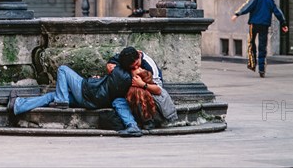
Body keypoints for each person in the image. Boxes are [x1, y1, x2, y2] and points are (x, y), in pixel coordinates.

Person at [10, 47, 147, 137]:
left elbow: (115, 58)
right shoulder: (129, 78)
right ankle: (18, 105)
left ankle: (61, 100)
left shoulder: (116, 70)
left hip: (86, 92)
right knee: (52, 95)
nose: (139, 66)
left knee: (63, 69)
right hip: (94, 102)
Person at [107, 47, 178, 129]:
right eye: (132, 67)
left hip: (154, 100)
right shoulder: (126, 58)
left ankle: (148, 120)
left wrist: (142, 84)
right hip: (134, 99)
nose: (136, 68)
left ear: (139, 55)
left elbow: (158, 90)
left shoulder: (149, 65)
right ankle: (132, 125)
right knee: (118, 101)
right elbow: (112, 62)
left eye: (137, 64)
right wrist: (109, 66)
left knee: (137, 91)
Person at [231, 0, 288, 77]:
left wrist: (237, 14)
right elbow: (278, 12)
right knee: (262, 46)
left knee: (251, 42)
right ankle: (261, 69)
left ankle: (252, 64)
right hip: (264, 25)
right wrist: (284, 24)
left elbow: (247, 6)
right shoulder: (270, 0)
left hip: (254, 24)